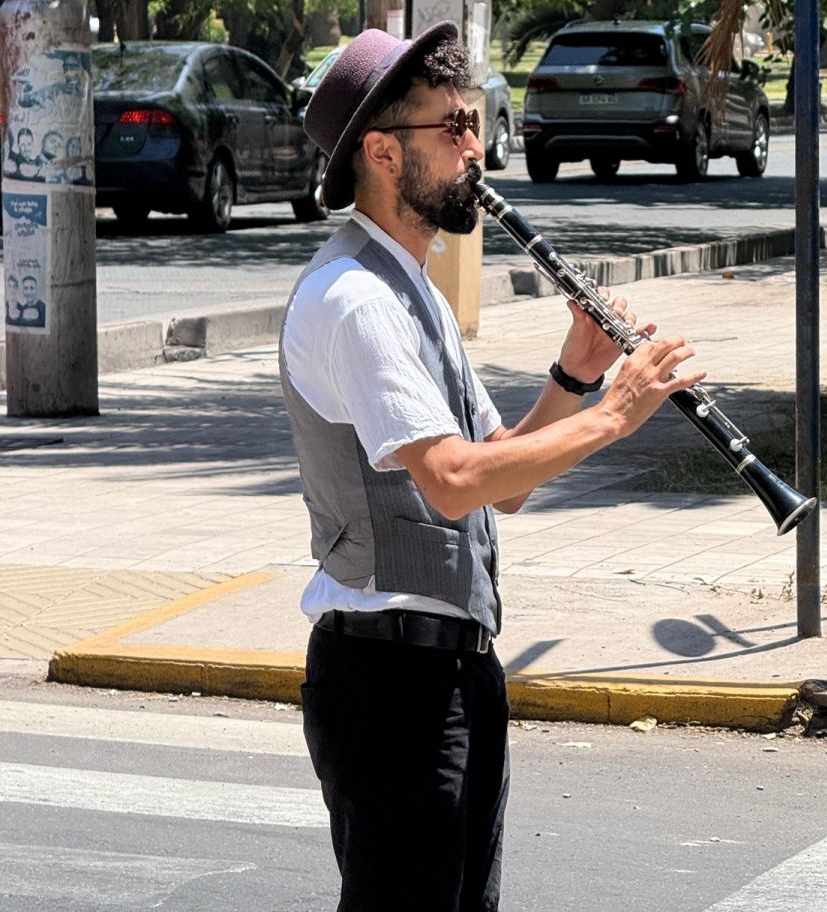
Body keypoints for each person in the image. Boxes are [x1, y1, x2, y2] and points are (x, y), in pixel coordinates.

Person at [279, 22, 705, 912]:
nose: (476, 148)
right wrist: (615, 415)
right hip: (389, 683)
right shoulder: (354, 299)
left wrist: (572, 378)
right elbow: (452, 482)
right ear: (383, 153)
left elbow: (499, 483)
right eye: (455, 127)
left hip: (451, 674)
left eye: (472, 122)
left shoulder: (412, 290)